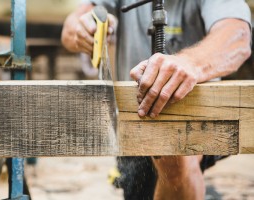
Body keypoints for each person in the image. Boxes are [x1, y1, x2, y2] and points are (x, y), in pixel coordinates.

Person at [61, 0, 252, 199]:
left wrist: (191, 63)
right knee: (140, 186)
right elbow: (71, 28)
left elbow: (237, 37)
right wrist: (82, 28)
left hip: (194, 115)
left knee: (176, 164)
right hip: (135, 120)